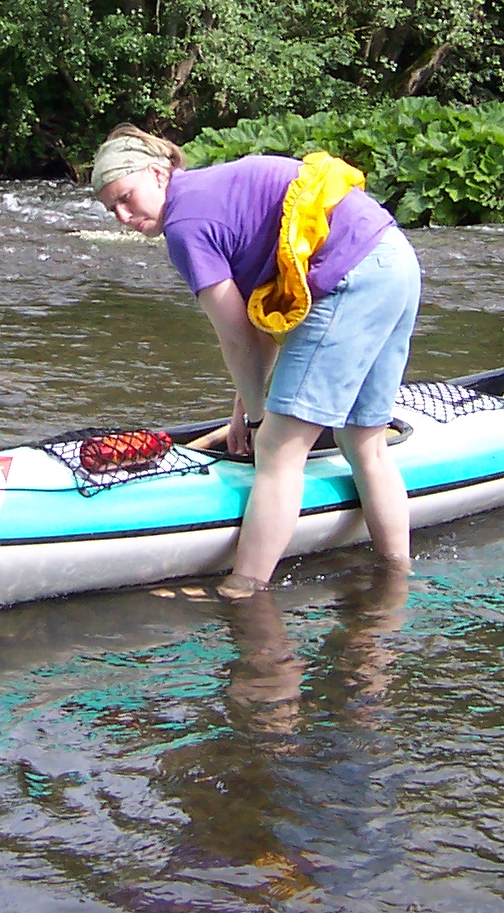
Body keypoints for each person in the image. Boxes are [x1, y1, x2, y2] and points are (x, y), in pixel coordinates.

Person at [90, 125, 418, 598]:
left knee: (278, 450)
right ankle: (396, 577)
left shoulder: (184, 226)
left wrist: (261, 419)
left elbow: (238, 338)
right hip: (394, 259)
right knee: (362, 440)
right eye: (111, 209)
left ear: (158, 174)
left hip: (353, 276)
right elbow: (262, 321)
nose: (123, 216)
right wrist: (242, 406)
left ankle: (242, 590)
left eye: (126, 197)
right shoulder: (210, 190)